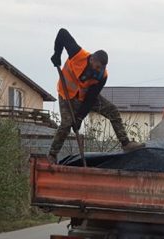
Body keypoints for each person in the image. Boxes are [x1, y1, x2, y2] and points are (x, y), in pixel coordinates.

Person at [48, 28, 144, 164]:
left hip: (84, 97)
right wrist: (57, 54)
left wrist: (80, 117)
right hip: (67, 93)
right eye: (98, 67)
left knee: (112, 110)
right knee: (66, 124)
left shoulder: (102, 76)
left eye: (102, 68)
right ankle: (52, 155)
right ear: (92, 59)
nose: (99, 70)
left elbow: (90, 98)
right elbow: (62, 33)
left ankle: (126, 144)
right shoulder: (77, 54)